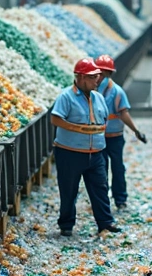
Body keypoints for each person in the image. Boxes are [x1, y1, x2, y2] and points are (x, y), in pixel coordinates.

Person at [51, 58, 120, 237]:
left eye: (98, 76)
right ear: (80, 77)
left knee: (100, 187)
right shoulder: (66, 96)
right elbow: (55, 119)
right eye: (92, 77)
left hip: (96, 152)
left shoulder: (98, 97)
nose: (97, 80)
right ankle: (66, 224)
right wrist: (77, 129)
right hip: (70, 153)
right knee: (68, 189)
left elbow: (103, 118)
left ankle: (105, 222)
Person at [94, 54, 146, 210]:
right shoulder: (92, 90)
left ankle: (120, 198)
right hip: (98, 138)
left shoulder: (117, 92)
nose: (99, 77)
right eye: (98, 73)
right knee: (100, 170)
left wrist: (136, 131)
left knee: (117, 168)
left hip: (115, 137)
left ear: (108, 74)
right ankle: (103, 200)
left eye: (102, 73)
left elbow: (124, 113)